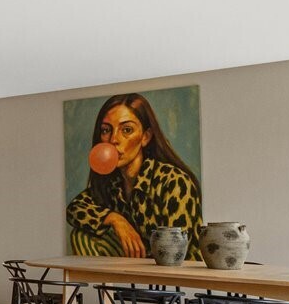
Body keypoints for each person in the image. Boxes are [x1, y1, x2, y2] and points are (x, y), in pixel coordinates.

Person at [66, 93, 202, 259]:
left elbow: (175, 251)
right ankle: (107, 285)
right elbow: (74, 209)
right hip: (134, 269)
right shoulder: (113, 183)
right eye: (106, 130)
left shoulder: (174, 181)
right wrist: (116, 220)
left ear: (145, 137)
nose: (113, 139)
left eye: (127, 130)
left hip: (176, 271)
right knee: (80, 236)